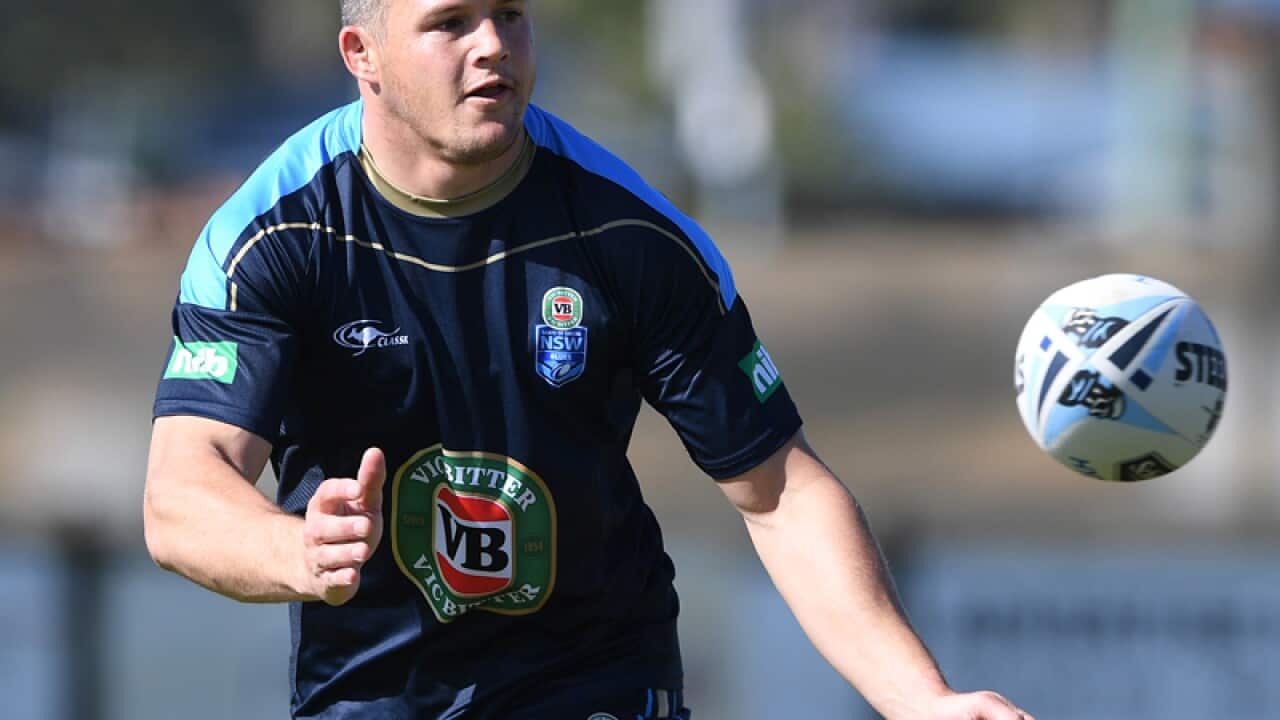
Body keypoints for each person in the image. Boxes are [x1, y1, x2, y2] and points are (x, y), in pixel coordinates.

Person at [143, 1, 1034, 718]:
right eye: (451, 23)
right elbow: (181, 495)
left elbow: (781, 492)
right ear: (361, 54)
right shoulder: (274, 236)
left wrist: (923, 700)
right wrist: (293, 547)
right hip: (370, 694)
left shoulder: (629, 234)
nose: (493, 45)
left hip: (593, 682)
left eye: (511, 15)